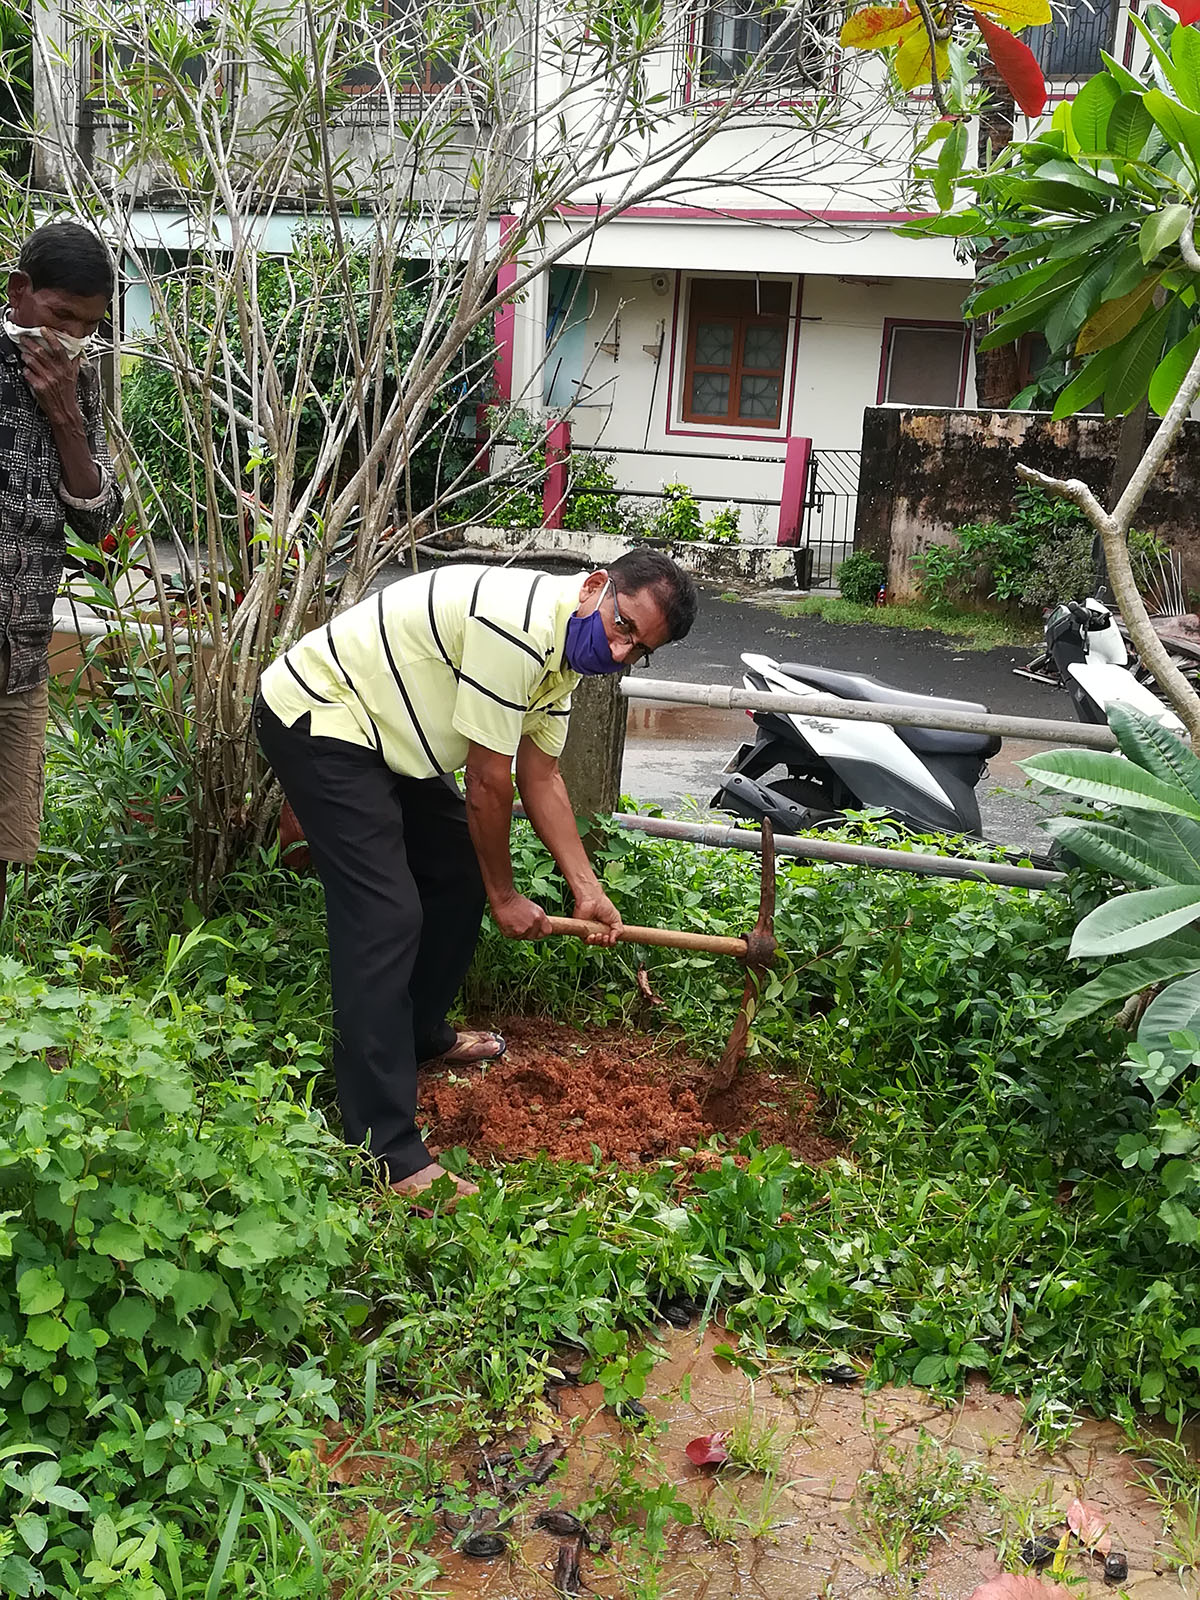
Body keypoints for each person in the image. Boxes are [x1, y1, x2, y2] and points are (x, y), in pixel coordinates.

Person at [255, 550, 698, 1198]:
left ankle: (416, 1036)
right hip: (319, 716)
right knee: (384, 915)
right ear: (597, 587)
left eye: (639, 650)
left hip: (382, 732)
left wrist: (588, 890)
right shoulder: (516, 625)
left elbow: (541, 778)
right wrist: (505, 896)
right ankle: (386, 1150)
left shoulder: (561, 661)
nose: (621, 653)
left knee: (455, 866)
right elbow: (489, 783)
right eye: (623, 627)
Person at [0, 222, 123, 921]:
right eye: (61, 316)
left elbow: (100, 526)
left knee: (5, 847)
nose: (73, 336)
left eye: (89, 324)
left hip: (19, 658)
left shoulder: (81, 384)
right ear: (21, 293)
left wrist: (65, 417)